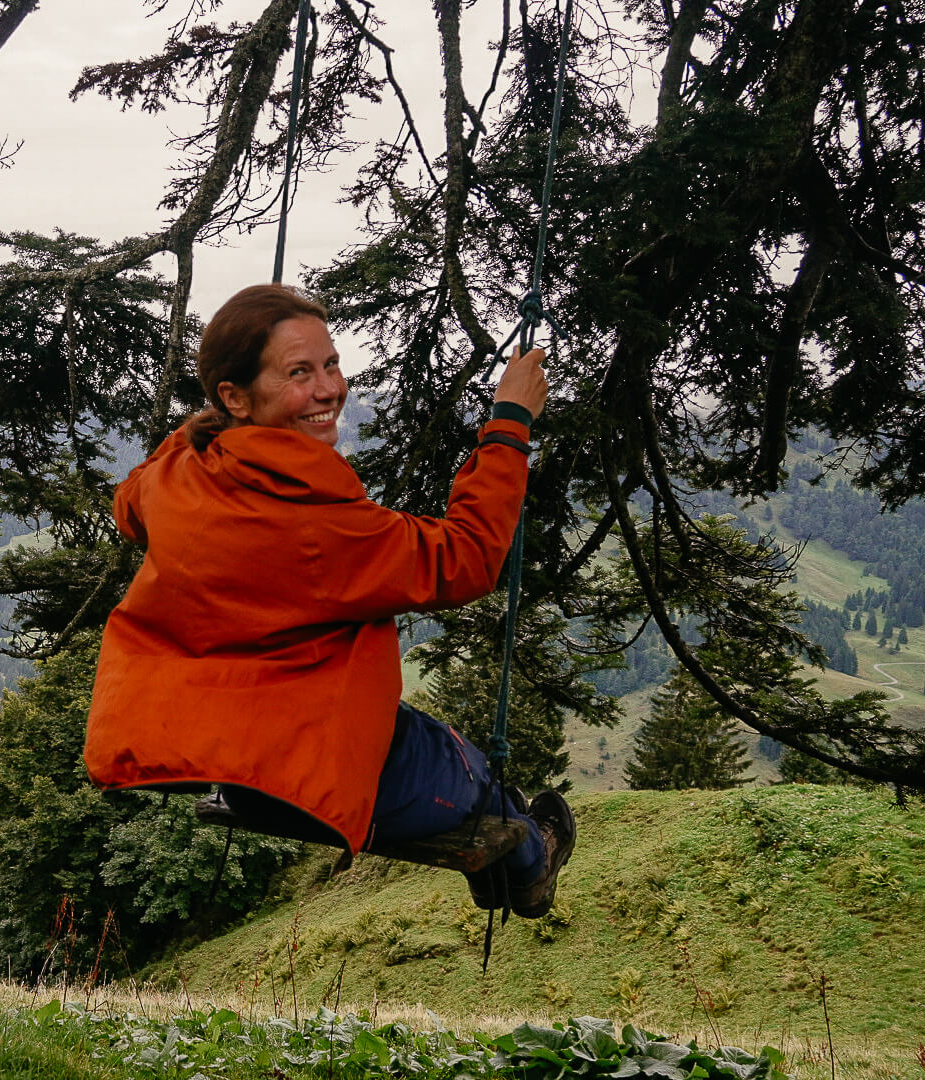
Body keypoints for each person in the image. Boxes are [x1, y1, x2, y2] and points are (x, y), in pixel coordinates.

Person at [84, 283, 573, 917]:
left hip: (239, 766)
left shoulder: (177, 478)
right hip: (314, 766)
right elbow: (464, 558)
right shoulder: (320, 524)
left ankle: (514, 862)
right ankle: (532, 864)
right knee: (484, 787)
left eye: (331, 363)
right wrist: (509, 423)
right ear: (235, 394)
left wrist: (216, 430)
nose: (329, 388)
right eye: (299, 373)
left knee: (446, 757)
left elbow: (129, 504)